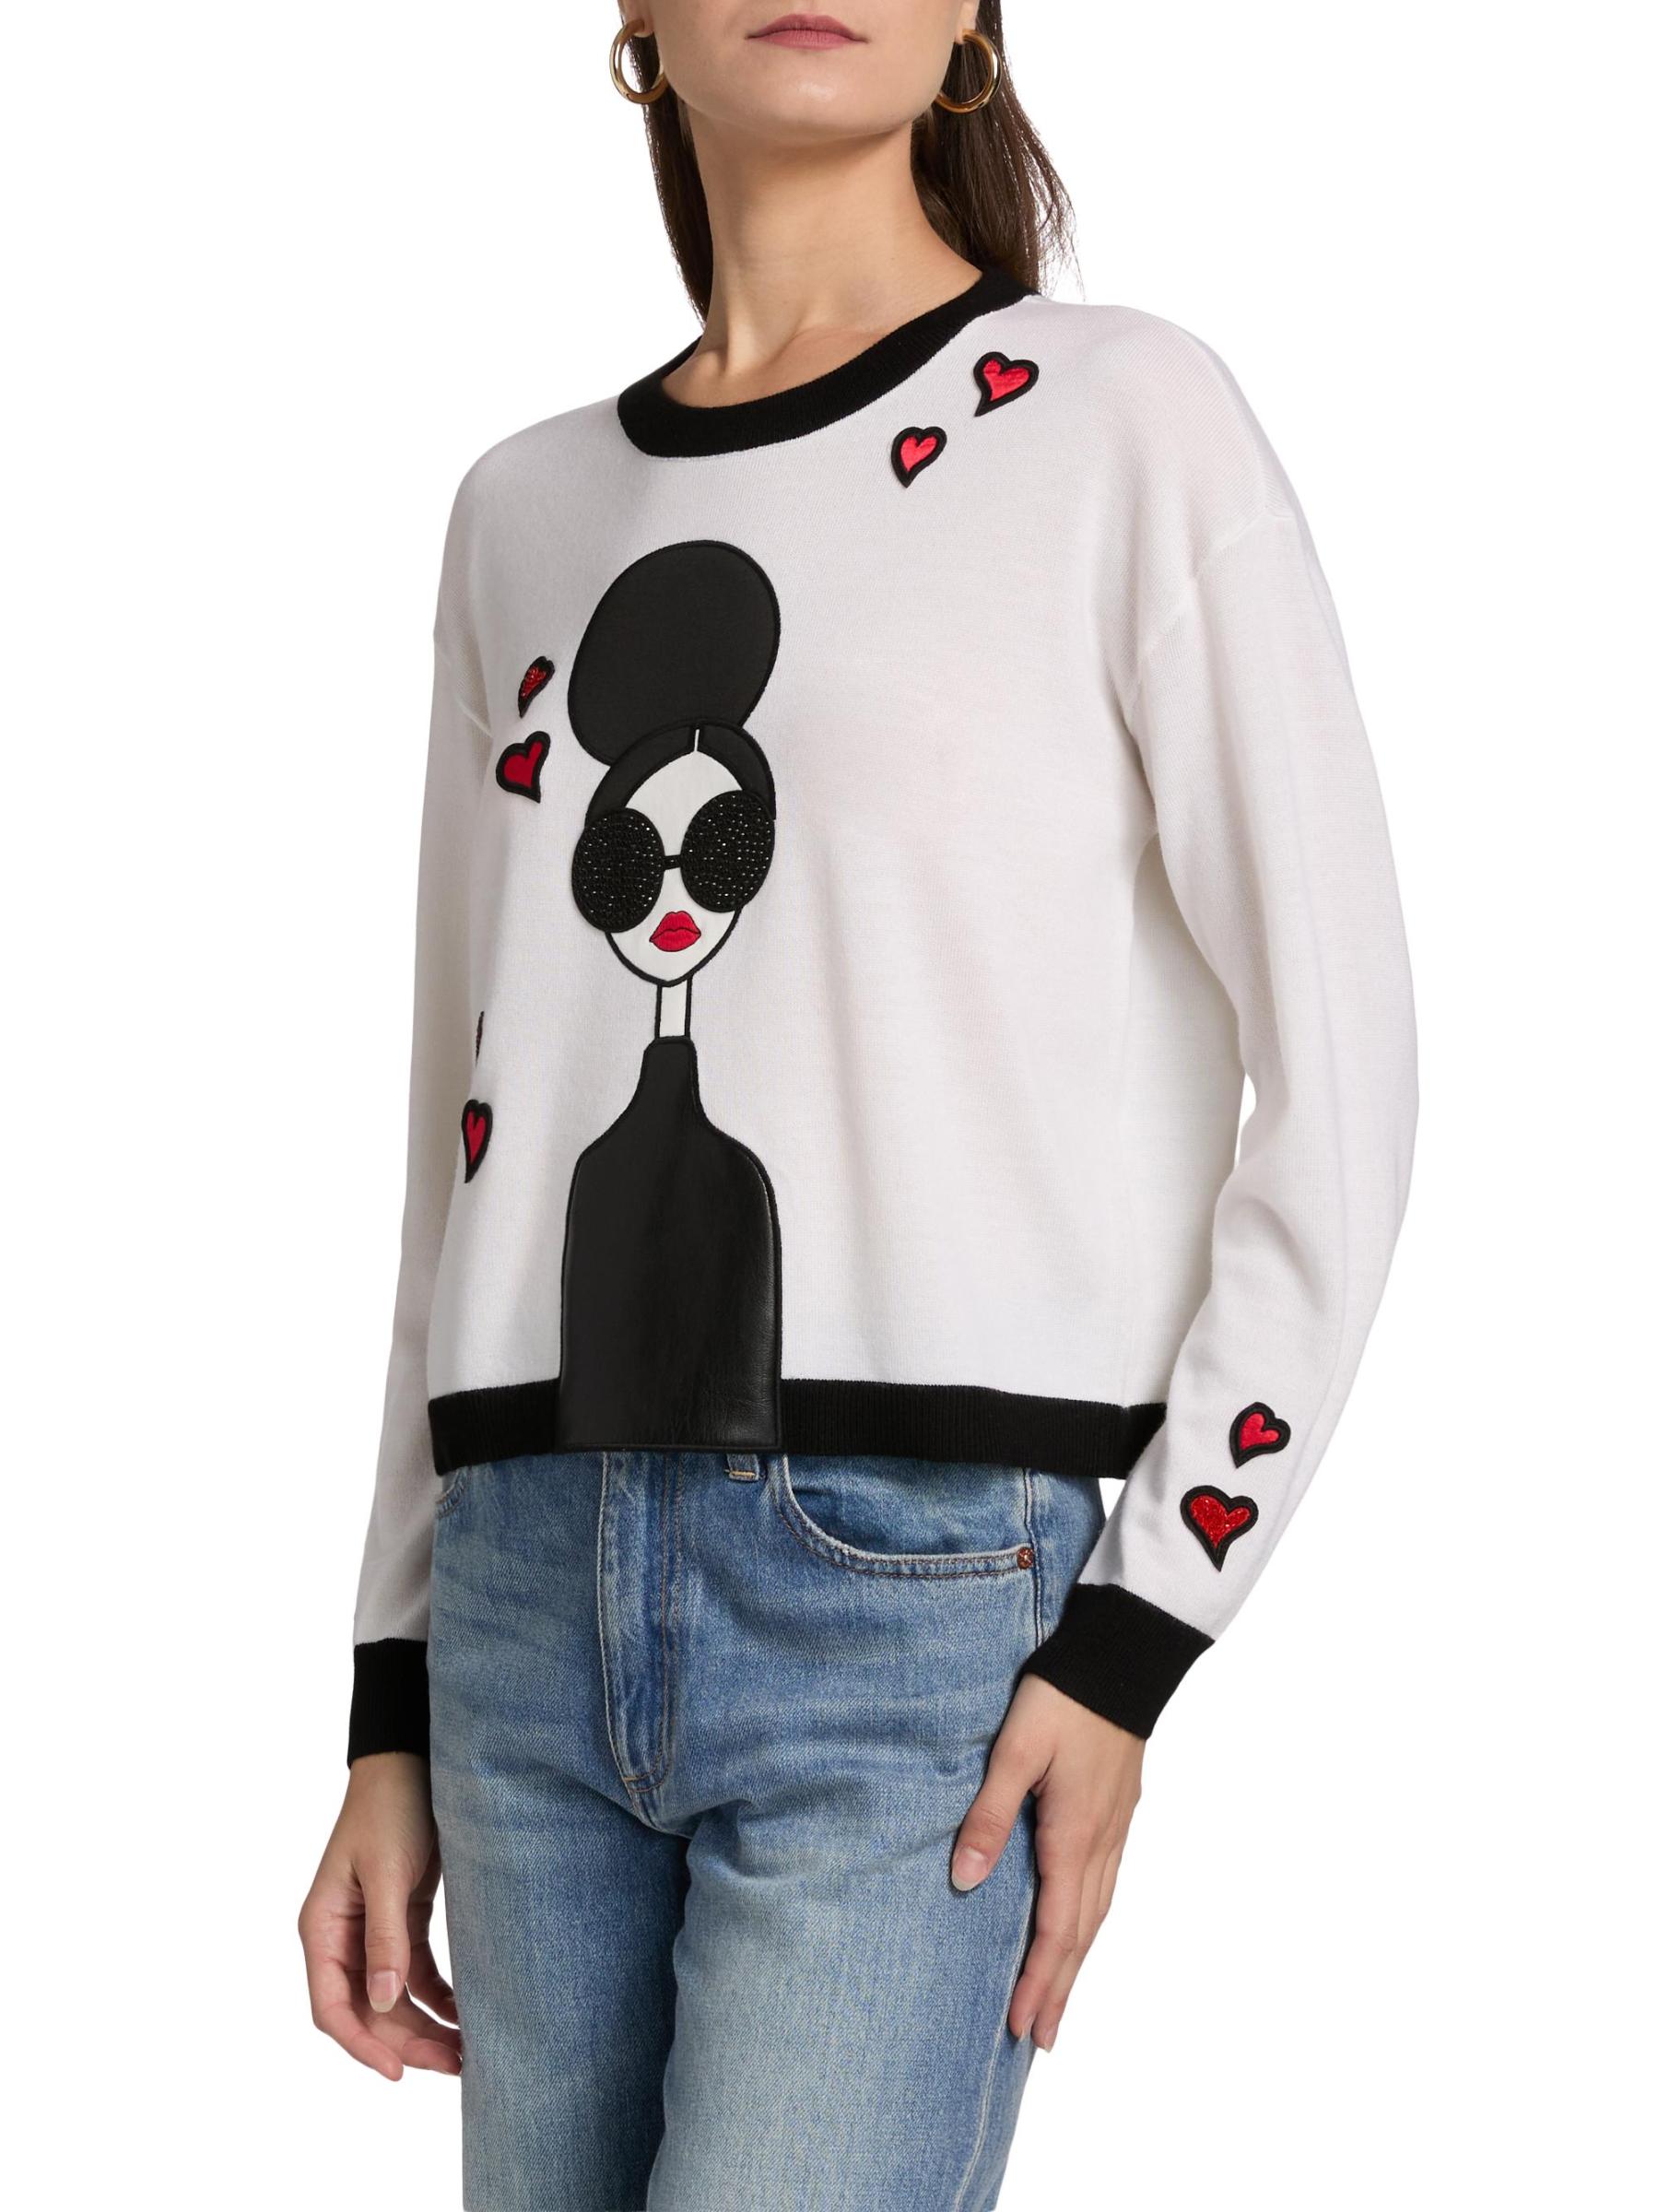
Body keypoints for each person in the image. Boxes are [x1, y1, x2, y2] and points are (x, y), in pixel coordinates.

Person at [299, 6, 1417, 2206]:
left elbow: (1348, 1059)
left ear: (978, 22)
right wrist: (390, 1692)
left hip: (916, 1601)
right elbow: (468, 1137)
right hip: (520, 1603)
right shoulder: (521, 509)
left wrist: (1139, 1634)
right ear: (631, 20)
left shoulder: (1121, 423)